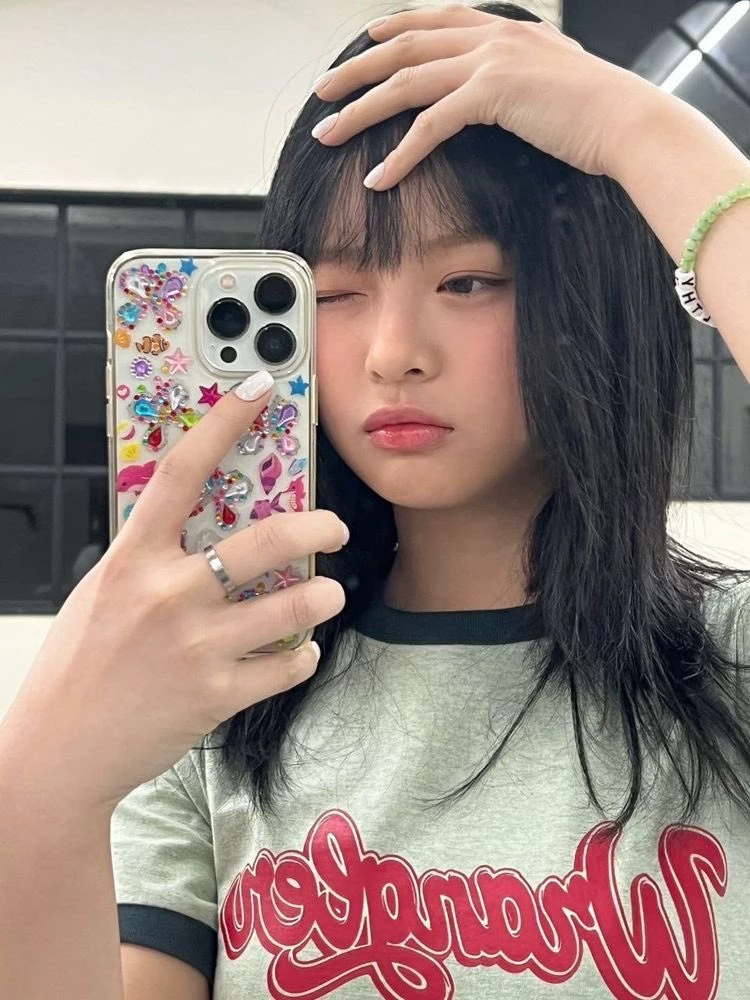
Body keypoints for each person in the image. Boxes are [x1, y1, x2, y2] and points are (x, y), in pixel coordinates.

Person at [2, 2, 750, 998]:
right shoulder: (219, 693)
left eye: (470, 282)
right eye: (333, 293)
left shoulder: (729, 662)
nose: (394, 352)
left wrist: (642, 132)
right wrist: (40, 785)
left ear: (590, 304)